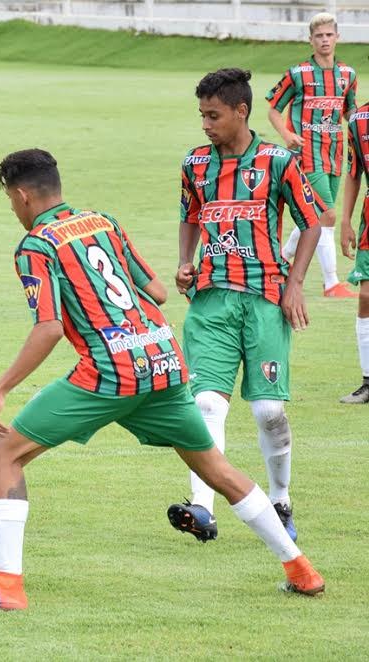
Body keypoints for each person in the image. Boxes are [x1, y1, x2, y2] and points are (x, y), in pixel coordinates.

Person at [0, 148, 324, 611]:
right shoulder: (104, 222)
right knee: (217, 470)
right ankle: (300, 569)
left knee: (2, 454)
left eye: (9, 200)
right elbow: (157, 291)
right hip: (163, 360)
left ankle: (6, 586)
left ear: (22, 195)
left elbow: (49, 328)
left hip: (110, 371)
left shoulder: (36, 246)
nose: (13, 209)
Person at [170, 68, 322, 545]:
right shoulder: (195, 163)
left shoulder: (278, 161)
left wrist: (295, 284)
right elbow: (190, 214)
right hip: (211, 300)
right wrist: (184, 261)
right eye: (201, 115)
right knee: (206, 404)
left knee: (268, 412)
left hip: (264, 299)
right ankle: (203, 507)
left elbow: (311, 221)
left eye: (213, 115)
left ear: (241, 111)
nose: (205, 125)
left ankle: (280, 499)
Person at [267, 12, 358, 298]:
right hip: (306, 156)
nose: (324, 40)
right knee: (328, 214)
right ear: (311, 40)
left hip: (335, 154)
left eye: (329, 35)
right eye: (319, 36)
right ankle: (331, 283)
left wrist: (360, 131)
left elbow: (350, 112)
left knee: (316, 216)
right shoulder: (298, 73)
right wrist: (287, 135)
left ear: (337, 37)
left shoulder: (348, 75)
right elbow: (273, 110)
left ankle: (281, 257)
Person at [338, 101, 369, 403]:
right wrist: (346, 220)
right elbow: (353, 173)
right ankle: (368, 380)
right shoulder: (358, 120)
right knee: (366, 297)